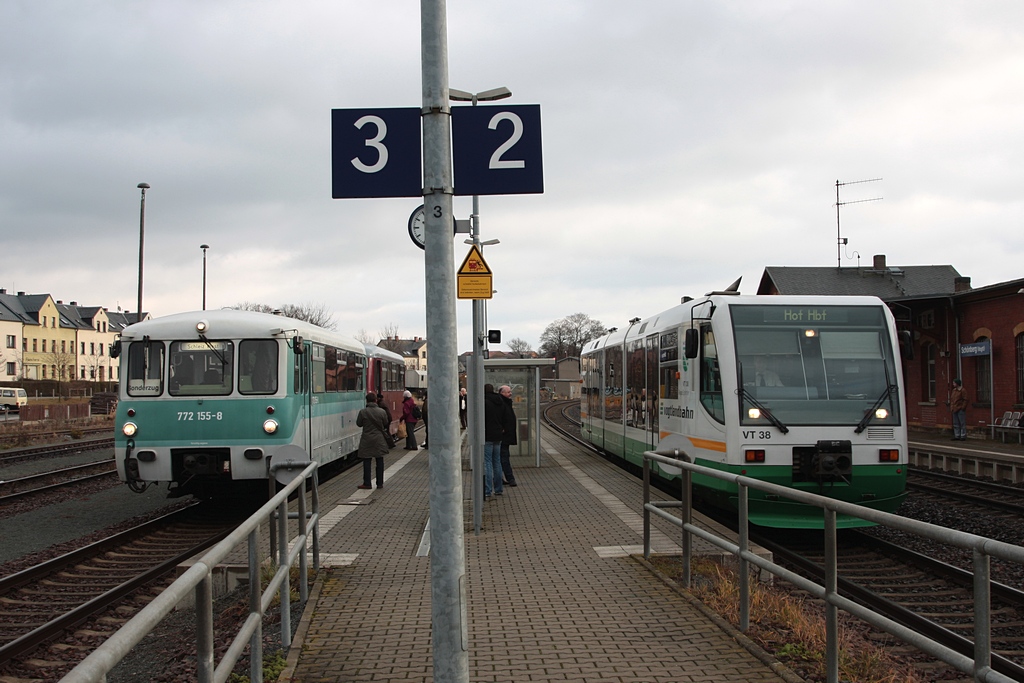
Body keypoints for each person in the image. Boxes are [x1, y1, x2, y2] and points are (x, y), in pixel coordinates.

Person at [356, 392, 389, 489]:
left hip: (367, 439)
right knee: (379, 461)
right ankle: (380, 483)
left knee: (367, 461)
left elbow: (359, 424)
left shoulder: (363, 412)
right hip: (379, 439)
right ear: (376, 400)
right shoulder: (382, 412)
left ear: (367, 400)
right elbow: (386, 422)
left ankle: (367, 483)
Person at [483, 383, 505, 498]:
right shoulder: (500, 401)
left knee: (487, 462)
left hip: (487, 435)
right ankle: (499, 488)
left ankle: (487, 490)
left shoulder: (484, 402)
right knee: (497, 462)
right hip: (498, 434)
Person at [498, 385, 518, 487]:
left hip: (505, 436)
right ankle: (510, 478)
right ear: (502, 393)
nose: (510, 393)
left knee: (503, 457)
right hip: (503, 436)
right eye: (508, 392)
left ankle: (500, 478)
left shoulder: (505, 403)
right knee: (504, 458)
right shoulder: (502, 404)